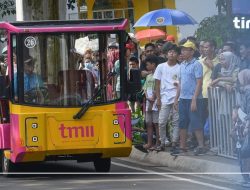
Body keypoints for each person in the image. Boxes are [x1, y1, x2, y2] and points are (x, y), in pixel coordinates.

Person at [173, 40, 206, 156]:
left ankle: (201, 146)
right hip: (183, 99)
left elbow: (199, 83)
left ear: (192, 51)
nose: (182, 52)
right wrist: (176, 98)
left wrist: (194, 99)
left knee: (196, 122)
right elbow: (180, 83)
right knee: (183, 122)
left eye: (185, 49)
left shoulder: (197, 64)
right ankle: (182, 146)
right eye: (182, 49)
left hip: (195, 98)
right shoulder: (181, 65)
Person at [154, 43, 180, 151]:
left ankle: (174, 142)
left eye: (174, 52)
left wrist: (176, 99)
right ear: (166, 54)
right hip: (164, 97)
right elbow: (157, 83)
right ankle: (163, 142)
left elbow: (180, 84)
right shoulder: (161, 67)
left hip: (176, 97)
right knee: (162, 121)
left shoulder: (180, 67)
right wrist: (158, 98)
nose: (172, 54)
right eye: (170, 52)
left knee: (176, 121)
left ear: (177, 54)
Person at [142, 55, 160, 150]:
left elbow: (159, 88)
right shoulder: (148, 76)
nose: (147, 67)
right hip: (149, 101)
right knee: (149, 123)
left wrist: (153, 98)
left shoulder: (159, 75)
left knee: (156, 123)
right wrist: (147, 97)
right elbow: (145, 88)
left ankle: (157, 142)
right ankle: (149, 143)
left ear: (153, 64)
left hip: (156, 101)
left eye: (148, 65)